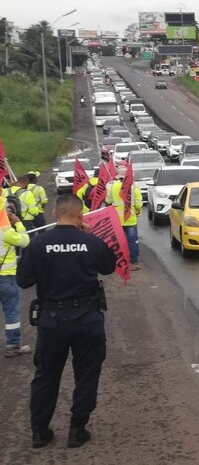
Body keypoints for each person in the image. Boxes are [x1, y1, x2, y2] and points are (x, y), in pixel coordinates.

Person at [17, 194, 118, 449]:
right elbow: (108, 266)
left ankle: (40, 432)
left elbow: (23, 280)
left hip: (52, 320)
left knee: (46, 376)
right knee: (87, 374)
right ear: (80, 215)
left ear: (55, 213)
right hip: (87, 319)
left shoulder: (38, 244)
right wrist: (91, 237)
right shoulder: (91, 242)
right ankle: (77, 429)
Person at [1, 207, 31, 358]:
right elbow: (25, 241)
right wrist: (18, 223)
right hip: (6, 278)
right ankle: (13, 345)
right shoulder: (6, 232)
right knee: (11, 311)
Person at [105, 164, 143, 271]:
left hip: (117, 219)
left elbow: (108, 200)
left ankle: (120, 262)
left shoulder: (112, 186)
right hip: (130, 218)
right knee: (132, 241)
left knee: (118, 241)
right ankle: (134, 262)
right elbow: (138, 203)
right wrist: (137, 210)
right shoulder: (134, 186)